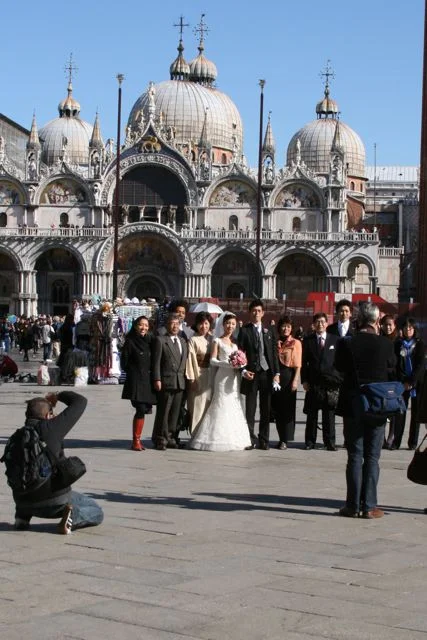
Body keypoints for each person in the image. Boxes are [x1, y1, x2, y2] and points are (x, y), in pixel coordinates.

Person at [335, 302, 396, 518]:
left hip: (353, 404)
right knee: (372, 457)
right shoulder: (386, 344)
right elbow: (392, 369)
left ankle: (352, 506)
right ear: (377, 321)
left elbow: (339, 367)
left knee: (354, 455)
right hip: (377, 405)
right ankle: (369, 506)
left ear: (358, 320)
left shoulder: (346, 343)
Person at [12, 391, 103, 534]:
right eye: (52, 414)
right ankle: (72, 518)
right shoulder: (51, 428)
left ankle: (22, 518)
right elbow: (80, 401)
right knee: (96, 511)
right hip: (53, 503)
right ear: (48, 415)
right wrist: (58, 396)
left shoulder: (16, 436)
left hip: (21, 501)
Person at [189, 313, 251, 451]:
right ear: (223, 325)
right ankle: (213, 438)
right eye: (228, 323)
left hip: (233, 379)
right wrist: (228, 364)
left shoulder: (235, 344)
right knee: (220, 404)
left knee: (234, 404)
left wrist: (243, 369)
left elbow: (240, 365)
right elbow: (213, 360)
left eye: (233, 324)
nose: (230, 326)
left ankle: (235, 438)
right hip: (222, 377)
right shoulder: (217, 341)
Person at [238, 299, 280, 449]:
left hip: (266, 373)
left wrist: (276, 373)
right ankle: (249, 438)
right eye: (253, 311)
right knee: (250, 408)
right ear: (250, 313)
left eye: (259, 311)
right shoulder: (244, 331)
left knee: (265, 408)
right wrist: (243, 370)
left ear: (263, 313)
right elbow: (240, 352)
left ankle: (264, 439)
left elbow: (274, 353)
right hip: (251, 373)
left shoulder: (269, 331)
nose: (256, 313)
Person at [301, 313, 341, 451]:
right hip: (313, 382)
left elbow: (339, 362)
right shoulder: (308, 340)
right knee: (312, 414)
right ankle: (310, 441)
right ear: (314, 324)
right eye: (317, 322)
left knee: (329, 414)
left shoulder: (335, 340)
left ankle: (329, 442)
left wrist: (337, 378)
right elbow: (303, 362)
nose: (320, 324)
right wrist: (304, 380)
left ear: (327, 323)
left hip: (329, 383)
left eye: (323, 322)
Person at [152, 313, 188, 450]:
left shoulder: (183, 342)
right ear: (167, 325)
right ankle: (161, 438)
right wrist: (157, 378)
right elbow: (156, 362)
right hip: (166, 380)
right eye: (172, 324)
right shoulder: (161, 340)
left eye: (177, 324)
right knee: (164, 411)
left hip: (180, 381)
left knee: (175, 411)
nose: (175, 326)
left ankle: (171, 436)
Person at [121, 316, 157, 451]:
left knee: (143, 410)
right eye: (141, 325)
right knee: (140, 408)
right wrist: (134, 370)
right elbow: (124, 362)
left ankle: (138, 439)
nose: (144, 328)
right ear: (136, 326)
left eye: (146, 325)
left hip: (147, 381)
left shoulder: (150, 340)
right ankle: (136, 440)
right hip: (136, 380)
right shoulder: (130, 341)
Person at [393, 318, 425, 450]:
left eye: (410, 327)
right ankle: (396, 441)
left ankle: (413, 442)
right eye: (405, 327)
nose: (408, 330)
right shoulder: (398, 344)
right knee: (400, 412)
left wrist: (412, 381)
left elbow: (420, 364)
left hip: (417, 383)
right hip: (402, 383)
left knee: (416, 413)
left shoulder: (419, 344)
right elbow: (395, 364)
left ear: (415, 329)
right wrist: (404, 381)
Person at [272, 316, 302, 449]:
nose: (286, 329)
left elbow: (298, 364)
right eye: (284, 326)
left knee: (288, 409)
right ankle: (280, 437)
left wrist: (295, 380)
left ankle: (285, 438)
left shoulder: (296, 343)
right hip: (275, 377)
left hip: (288, 376)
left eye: (288, 327)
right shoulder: (274, 342)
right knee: (277, 409)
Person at [185, 312, 214, 433]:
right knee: (196, 406)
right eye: (201, 323)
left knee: (208, 406)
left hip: (210, 375)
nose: (204, 326)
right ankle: (195, 434)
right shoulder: (193, 340)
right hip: (198, 374)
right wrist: (192, 379)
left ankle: (204, 434)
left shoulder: (212, 339)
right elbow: (190, 360)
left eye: (206, 323)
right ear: (196, 325)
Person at [379, 315, 399, 448]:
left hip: (394, 379)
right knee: (382, 409)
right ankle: (382, 437)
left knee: (393, 409)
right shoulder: (378, 340)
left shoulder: (398, 342)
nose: (388, 327)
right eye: (385, 325)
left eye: (390, 325)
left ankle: (392, 436)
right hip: (381, 379)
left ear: (395, 326)